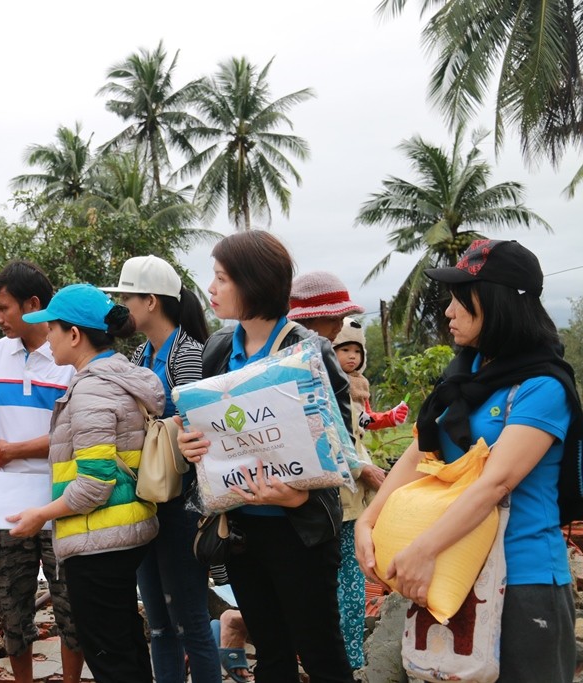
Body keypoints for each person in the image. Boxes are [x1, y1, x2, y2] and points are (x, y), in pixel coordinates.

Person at [356, 239, 583, 683]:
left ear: (497, 303)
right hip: (451, 575)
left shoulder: (543, 386)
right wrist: (369, 521)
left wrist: (424, 548)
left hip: (523, 580)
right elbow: (419, 449)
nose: (448, 312)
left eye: (461, 300)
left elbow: (496, 483)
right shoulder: (463, 376)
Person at [177, 231, 356, 683]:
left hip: (300, 530)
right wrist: (190, 445)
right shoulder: (218, 348)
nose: (211, 290)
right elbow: (207, 431)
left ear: (253, 283)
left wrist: (297, 497)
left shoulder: (309, 351)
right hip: (241, 529)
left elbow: (342, 446)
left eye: (221, 279)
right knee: (271, 653)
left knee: (321, 653)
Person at [8, 283, 163, 683]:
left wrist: (39, 515)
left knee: (111, 657)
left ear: (74, 334)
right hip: (120, 534)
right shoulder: (116, 379)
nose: (47, 337)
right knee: (125, 647)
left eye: (52, 329)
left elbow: (94, 485)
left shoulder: (93, 390)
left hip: (99, 542)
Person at [101, 255, 221, 683]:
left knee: (190, 618)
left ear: (151, 301)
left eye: (127, 298)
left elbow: (201, 429)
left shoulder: (187, 354)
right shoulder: (141, 353)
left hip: (182, 506)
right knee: (158, 622)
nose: (121, 309)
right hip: (147, 499)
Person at [0, 260, 83, 683]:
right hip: (8, 501)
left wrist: (15, 449)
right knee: (12, 602)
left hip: (61, 498)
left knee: (69, 602)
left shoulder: (69, 357)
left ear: (33, 304)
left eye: (5, 309)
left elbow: (72, 433)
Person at [287, 278, 393, 671]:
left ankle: (342, 658)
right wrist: (363, 468)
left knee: (341, 584)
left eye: (353, 349)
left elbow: (354, 433)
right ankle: (344, 662)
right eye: (336, 327)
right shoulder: (312, 368)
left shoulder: (343, 379)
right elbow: (325, 436)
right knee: (342, 585)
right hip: (335, 499)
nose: (339, 339)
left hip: (340, 498)